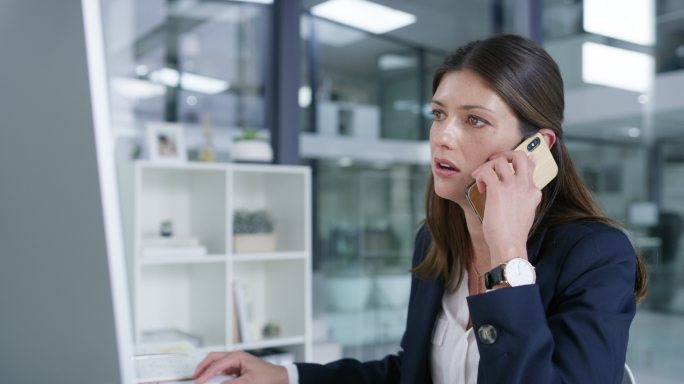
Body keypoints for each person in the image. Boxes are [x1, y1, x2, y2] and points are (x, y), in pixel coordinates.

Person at [193, 34, 648, 384]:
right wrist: (287, 375)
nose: (444, 136)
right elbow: (412, 372)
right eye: (438, 114)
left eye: (475, 120)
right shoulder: (434, 239)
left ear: (536, 147)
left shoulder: (596, 254)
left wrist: (508, 253)